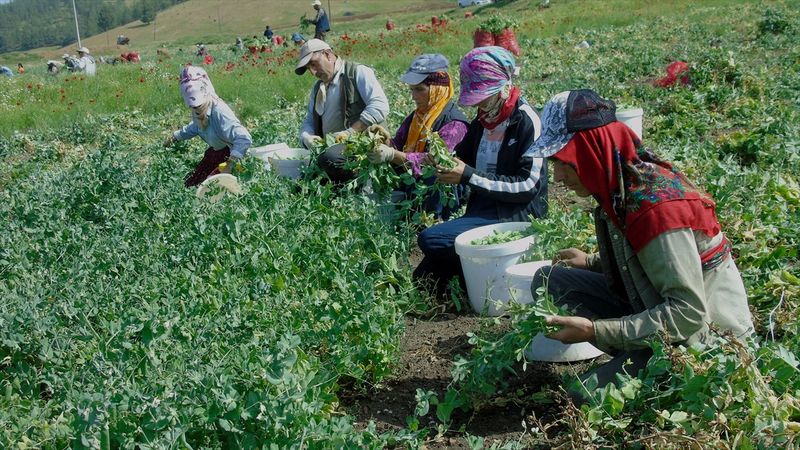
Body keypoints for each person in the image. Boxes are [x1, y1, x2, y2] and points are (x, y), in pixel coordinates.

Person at [526, 89, 754, 402]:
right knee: (548, 279)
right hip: (657, 304)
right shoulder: (618, 183)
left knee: (580, 397)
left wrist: (596, 331)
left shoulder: (653, 208)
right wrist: (592, 261)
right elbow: (650, 257)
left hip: (706, 336)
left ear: (590, 151)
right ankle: (635, 353)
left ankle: (646, 362)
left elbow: (688, 313)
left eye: (564, 162)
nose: (559, 176)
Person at [414, 46, 548, 294]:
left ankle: (482, 277)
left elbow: (528, 186)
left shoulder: (526, 121)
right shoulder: (482, 121)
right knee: (422, 279)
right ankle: (474, 276)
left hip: (514, 214)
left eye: (483, 96)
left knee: (431, 239)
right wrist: (443, 160)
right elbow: (463, 157)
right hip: (483, 209)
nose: (479, 104)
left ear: (502, 87)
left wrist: (468, 176)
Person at [368, 54, 469, 218]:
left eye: (420, 89)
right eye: (412, 90)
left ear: (438, 89)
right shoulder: (417, 117)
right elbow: (400, 146)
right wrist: (385, 140)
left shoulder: (454, 123)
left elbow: (434, 161)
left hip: (442, 192)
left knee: (434, 174)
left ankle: (430, 221)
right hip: (414, 185)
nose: (414, 96)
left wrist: (392, 154)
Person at [296, 39, 389, 183]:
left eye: (314, 64)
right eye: (309, 68)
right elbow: (309, 120)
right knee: (301, 182)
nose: (313, 72)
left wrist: (350, 132)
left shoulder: (357, 72)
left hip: (363, 148)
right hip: (334, 151)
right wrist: (306, 137)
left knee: (328, 159)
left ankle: (359, 182)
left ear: (328, 55)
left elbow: (379, 106)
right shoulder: (317, 88)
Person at [164, 66, 253, 187]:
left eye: (197, 106)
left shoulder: (219, 111)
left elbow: (244, 138)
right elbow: (195, 126)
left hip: (230, 154)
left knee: (212, 187)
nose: (196, 109)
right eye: (193, 107)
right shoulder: (199, 110)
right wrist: (175, 137)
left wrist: (230, 164)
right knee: (191, 183)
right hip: (215, 153)